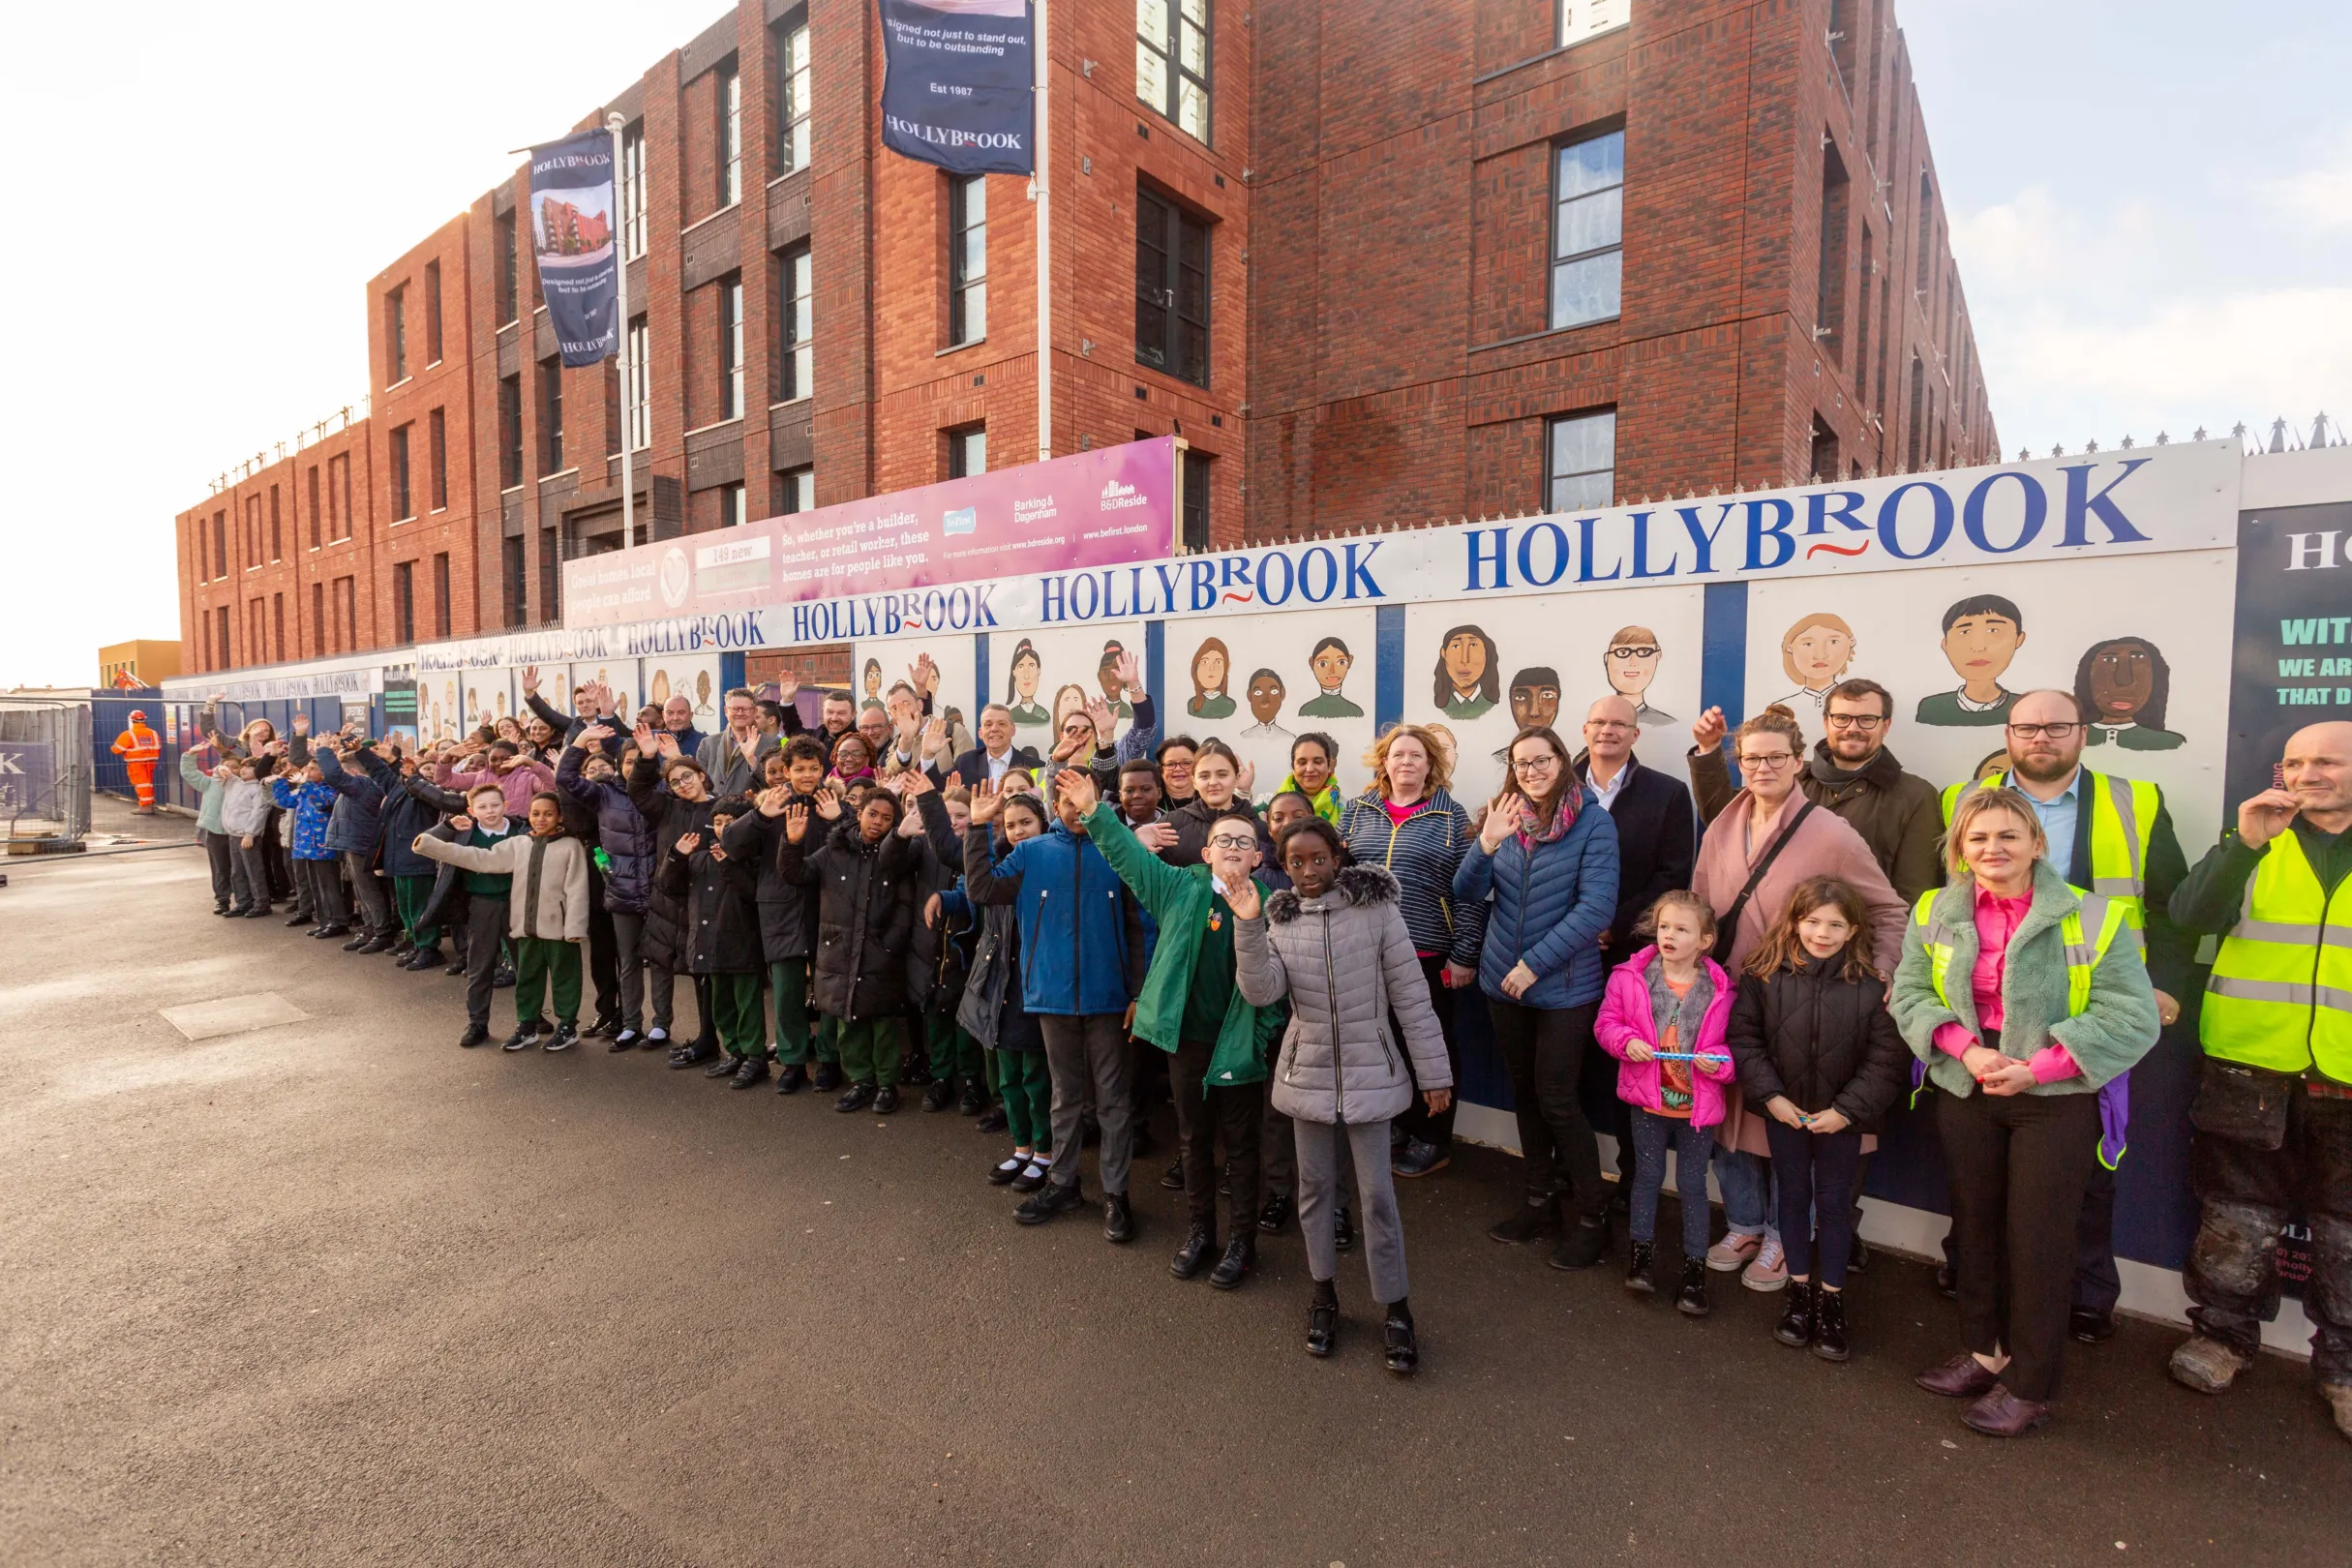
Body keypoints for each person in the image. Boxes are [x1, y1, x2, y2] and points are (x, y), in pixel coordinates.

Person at [1889, 787, 2158, 1436]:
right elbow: (1909, 992)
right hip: (1968, 1091)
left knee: (2037, 1242)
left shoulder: (2098, 918)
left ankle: (2031, 1385)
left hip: (2055, 1104)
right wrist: (1965, 1051)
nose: (1993, 849)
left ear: (2038, 843)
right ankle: (1985, 1351)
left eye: (2008, 835)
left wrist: (2035, 1068)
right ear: (1960, 849)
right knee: (1975, 1229)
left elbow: (2131, 1017)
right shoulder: (1933, 910)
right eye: (1978, 838)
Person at [1941, 687, 2191, 1340]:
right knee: (1983, 1177)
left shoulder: (2134, 801)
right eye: (2027, 727)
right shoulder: (1960, 798)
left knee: (2083, 1169)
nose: (2041, 738)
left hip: (2090, 1016)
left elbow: (2167, 904)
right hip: (1987, 1024)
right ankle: (1979, 1288)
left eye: (2057, 726)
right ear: (2008, 732)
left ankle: (2080, 1293)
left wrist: (2160, 982)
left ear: (2083, 733)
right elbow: (1936, 901)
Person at [2162, 721, 2352, 1440]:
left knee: (2347, 1236)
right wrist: (2241, 845)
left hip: (2346, 1075)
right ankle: (2222, 1337)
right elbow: (2187, 917)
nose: (2308, 775)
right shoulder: (2254, 841)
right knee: (2236, 1218)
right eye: (2296, 762)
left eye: (2327, 763)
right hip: (2251, 1065)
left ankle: (2343, 1370)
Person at [1691, 707, 1905, 1291]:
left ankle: (1789, 1238)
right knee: (1726, 1119)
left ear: (1799, 761)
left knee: (1794, 1127)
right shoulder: (1722, 826)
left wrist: (1881, 973)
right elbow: (1701, 905)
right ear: (1739, 762)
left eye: (1775, 757)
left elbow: (1887, 910)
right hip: (1731, 999)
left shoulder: (1831, 833)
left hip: (1806, 1007)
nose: (1763, 767)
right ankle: (1743, 1222)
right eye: (1752, 758)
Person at [1232, 817, 1451, 1372]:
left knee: (1378, 1197)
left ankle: (1396, 1310)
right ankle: (1323, 1295)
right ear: (1283, 863)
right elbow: (1262, 992)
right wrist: (1248, 927)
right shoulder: (1279, 919)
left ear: (1338, 855)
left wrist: (1434, 1074)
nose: (1308, 872)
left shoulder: (1377, 911)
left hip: (1371, 1071)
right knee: (1315, 1191)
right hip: (1306, 1073)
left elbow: (1411, 996)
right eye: (1296, 862)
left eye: (1318, 859)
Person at [1073, 771, 1284, 1290]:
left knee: (1241, 1145)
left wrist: (1258, 1039)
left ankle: (1241, 1243)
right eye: (1224, 840)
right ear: (1206, 852)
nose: (1234, 847)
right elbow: (1129, 858)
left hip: (1237, 1042)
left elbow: (1279, 987)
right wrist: (1095, 812)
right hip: (1186, 1041)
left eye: (1245, 841)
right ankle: (1200, 1232)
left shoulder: (1275, 907)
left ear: (1258, 857)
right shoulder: (1177, 887)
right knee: (1192, 1139)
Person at [1459, 725, 1622, 1270]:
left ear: (1562, 761)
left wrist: (1533, 965)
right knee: (1525, 1094)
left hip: (1564, 988)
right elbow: (1464, 892)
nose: (1531, 771)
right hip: (1502, 984)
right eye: (1521, 762)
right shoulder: (1502, 818)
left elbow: (1596, 909)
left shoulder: (1594, 823)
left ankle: (1592, 1217)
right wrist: (1486, 842)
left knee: (1557, 1099)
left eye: (1541, 760)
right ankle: (1538, 1202)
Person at [1728, 877, 1909, 1361]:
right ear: (1794, 922)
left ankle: (1831, 1301)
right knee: (1791, 1198)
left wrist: (1846, 1111)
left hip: (1840, 1122)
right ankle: (1798, 1294)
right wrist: (1773, 1099)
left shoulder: (1872, 987)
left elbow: (1887, 1060)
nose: (1822, 933)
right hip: (1784, 1115)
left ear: (1852, 930)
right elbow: (1745, 1041)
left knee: (1832, 1209)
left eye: (1834, 924)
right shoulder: (1762, 976)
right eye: (1811, 922)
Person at [961, 774, 1146, 1240]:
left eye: (1083, 801)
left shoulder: (1117, 850)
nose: (1075, 809)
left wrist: (1139, 993)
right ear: (1054, 806)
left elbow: (1139, 927)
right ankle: (1063, 1182)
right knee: (1064, 1095)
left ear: (1098, 803)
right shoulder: (1031, 852)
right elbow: (982, 891)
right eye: (1066, 801)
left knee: (1113, 1100)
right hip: (1050, 994)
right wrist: (978, 829)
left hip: (1109, 997)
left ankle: (1116, 1194)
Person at [1337, 724, 1481, 1177]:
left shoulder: (1451, 818)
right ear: (1384, 761)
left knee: (1430, 1045)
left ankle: (1432, 1137)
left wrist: (1464, 954)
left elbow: (1471, 892)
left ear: (1430, 765)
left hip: (1427, 950)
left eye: (1416, 756)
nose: (1406, 762)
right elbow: (1337, 872)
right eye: (1397, 754)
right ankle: (1398, 1122)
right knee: (1383, 1042)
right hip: (1366, 951)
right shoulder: (1356, 812)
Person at [1595, 889, 1735, 1316]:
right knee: (1646, 1178)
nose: (1668, 935)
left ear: (1705, 940)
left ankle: (1695, 1272)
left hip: (1696, 1109)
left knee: (1694, 1188)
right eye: (1663, 927)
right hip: (1647, 1103)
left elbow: (1735, 1050)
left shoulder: (1721, 989)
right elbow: (1606, 1024)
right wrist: (1626, 1042)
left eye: (1681, 929)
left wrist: (1721, 1065)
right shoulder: (1628, 977)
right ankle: (1641, 1259)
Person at [1689, 678, 1944, 905]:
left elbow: (1916, 892)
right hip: (1773, 937)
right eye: (1842, 718)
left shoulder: (1916, 795)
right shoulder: (1790, 776)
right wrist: (1709, 750)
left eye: (1867, 719)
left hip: (1856, 946)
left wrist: (1885, 954)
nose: (1852, 728)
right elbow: (1723, 818)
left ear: (1885, 726)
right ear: (1826, 722)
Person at [412, 791, 594, 1052]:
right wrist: (431, 845)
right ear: (527, 815)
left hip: (559, 928)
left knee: (565, 975)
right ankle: (527, 1025)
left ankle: (567, 1025)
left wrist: (575, 927)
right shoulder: (519, 843)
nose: (540, 819)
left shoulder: (570, 846)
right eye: (535, 813)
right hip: (525, 927)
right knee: (527, 977)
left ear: (560, 816)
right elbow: (480, 858)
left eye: (548, 814)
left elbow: (577, 888)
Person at [779, 786, 922, 1111]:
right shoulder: (834, 850)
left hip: (880, 953)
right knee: (849, 1022)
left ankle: (887, 1086)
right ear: (858, 814)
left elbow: (905, 904)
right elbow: (795, 874)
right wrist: (792, 842)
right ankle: (862, 1081)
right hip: (839, 951)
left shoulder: (899, 854)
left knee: (882, 1024)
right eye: (872, 814)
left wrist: (890, 945)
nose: (878, 823)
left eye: (887, 819)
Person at [947, 788, 1058, 1190]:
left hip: (1037, 988)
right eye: (1010, 825)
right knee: (1009, 1078)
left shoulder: (1050, 864)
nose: (1018, 832)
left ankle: (1046, 1152)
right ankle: (1022, 1147)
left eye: (1026, 823)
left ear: (1044, 824)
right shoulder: (1001, 867)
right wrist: (976, 825)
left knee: (1037, 1079)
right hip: (1001, 984)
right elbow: (974, 885)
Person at [722, 740, 831, 1085]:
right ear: (786, 772)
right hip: (780, 908)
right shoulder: (769, 804)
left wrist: (839, 819)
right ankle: (792, 1060)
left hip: (828, 907)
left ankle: (829, 1059)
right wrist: (758, 816)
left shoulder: (830, 802)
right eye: (799, 769)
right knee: (786, 993)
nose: (807, 775)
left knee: (829, 991)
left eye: (813, 768)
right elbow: (731, 846)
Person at [558, 725, 659, 1048]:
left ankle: (662, 1025)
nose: (633, 767)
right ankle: (631, 1024)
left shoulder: (662, 791)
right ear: (618, 765)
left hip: (660, 890)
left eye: (639, 761)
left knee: (661, 961)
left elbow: (702, 787)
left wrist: (658, 757)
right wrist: (576, 745)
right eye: (627, 761)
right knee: (627, 959)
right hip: (622, 890)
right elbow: (566, 781)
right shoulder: (604, 793)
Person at [665, 796, 770, 1082]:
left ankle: (755, 1057)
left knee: (747, 1006)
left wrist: (730, 865)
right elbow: (669, 887)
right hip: (708, 944)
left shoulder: (754, 859)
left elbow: (753, 894)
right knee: (720, 1006)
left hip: (743, 945)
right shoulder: (700, 857)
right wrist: (676, 856)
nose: (724, 828)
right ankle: (736, 1052)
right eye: (719, 822)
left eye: (731, 823)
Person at [627, 735, 716, 1060]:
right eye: (675, 781)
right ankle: (701, 1037)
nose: (682, 785)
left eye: (688, 777)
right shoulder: (667, 808)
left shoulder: (720, 806)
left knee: (704, 972)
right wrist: (648, 759)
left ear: (702, 775)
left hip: (707, 900)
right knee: (680, 966)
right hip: (671, 900)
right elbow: (636, 791)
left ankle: (711, 1037)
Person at [315, 741, 395, 953]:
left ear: (352, 771)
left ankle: (381, 932)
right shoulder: (364, 784)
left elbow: (332, 775)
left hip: (361, 844)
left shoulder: (362, 784)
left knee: (369, 892)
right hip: (356, 843)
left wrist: (324, 749)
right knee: (363, 891)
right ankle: (371, 929)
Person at [1915, 594, 2027, 727]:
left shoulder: (2027, 707)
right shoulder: (1931, 708)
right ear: (1945, 644)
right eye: (1965, 632)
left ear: (2018, 639)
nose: (1978, 647)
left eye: (1993, 630)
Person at [268, 758, 342, 935]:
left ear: (323, 773)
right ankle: (324, 921)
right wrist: (281, 780)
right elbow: (284, 801)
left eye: (312, 769)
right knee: (315, 885)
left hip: (323, 846)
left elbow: (322, 802)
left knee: (328, 886)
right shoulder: (304, 789)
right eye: (306, 768)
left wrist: (306, 785)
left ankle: (338, 921)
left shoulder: (330, 789)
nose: (307, 771)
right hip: (305, 845)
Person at [935, 702, 1046, 789]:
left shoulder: (1035, 767)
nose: (994, 729)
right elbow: (936, 787)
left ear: (1013, 730)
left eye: (1001, 724)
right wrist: (927, 756)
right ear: (980, 733)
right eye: (988, 725)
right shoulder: (965, 763)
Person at [698, 688, 783, 798]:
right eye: (734, 709)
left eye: (746, 709)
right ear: (725, 711)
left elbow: (775, 784)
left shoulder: (771, 743)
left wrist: (752, 762)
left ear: (754, 711)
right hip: (714, 810)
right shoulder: (708, 744)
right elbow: (701, 783)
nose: (740, 713)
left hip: (749, 810)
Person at [220, 759, 278, 918]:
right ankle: (243, 902)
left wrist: (250, 834)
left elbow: (259, 812)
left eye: (249, 767)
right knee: (237, 871)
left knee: (253, 870)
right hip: (234, 834)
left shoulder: (258, 788)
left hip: (246, 835)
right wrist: (221, 769)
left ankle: (261, 903)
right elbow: (219, 774)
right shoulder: (235, 783)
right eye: (243, 766)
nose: (244, 770)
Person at [181, 743, 234, 914]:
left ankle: (245, 899)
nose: (230, 770)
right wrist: (190, 754)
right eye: (226, 766)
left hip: (238, 831)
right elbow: (189, 773)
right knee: (220, 867)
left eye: (235, 767)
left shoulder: (242, 785)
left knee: (241, 868)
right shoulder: (209, 783)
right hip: (216, 830)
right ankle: (222, 899)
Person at [1278, 732, 1344, 824]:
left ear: (1329, 764)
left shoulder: (1348, 810)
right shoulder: (1269, 804)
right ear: (1293, 766)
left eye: (1317, 762)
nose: (1309, 769)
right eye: (1302, 762)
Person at [111, 709, 161, 813]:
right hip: (151, 762)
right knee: (148, 784)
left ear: (132, 720)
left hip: (136, 763)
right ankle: (150, 804)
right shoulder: (153, 733)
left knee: (141, 784)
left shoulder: (128, 734)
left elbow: (116, 750)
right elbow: (158, 746)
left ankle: (145, 807)